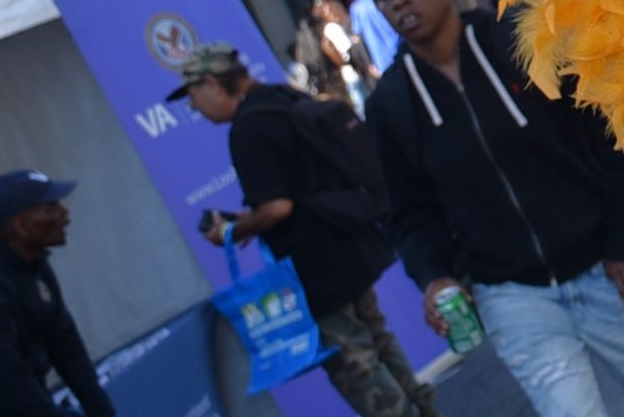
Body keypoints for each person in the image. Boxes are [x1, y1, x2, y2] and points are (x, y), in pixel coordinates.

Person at [359, 0, 624, 417]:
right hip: (511, 296)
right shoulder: (392, 104)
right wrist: (434, 277)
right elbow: (409, 212)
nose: (399, 0)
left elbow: (621, 129)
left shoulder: (522, 41)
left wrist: (621, 238)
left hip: (605, 268)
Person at [173, 42, 439, 417]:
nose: (195, 107)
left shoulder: (248, 128)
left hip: (318, 267)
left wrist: (231, 231)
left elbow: (278, 207)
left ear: (215, 84)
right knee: (379, 342)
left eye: (193, 96)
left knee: (356, 365)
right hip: (351, 242)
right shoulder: (282, 96)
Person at [0, 170, 113, 417]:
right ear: (21, 226)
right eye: (50, 207)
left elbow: (66, 344)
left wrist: (103, 411)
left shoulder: (35, 267)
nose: (64, 214)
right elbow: (10, 379)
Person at [350, 0, 403, 73]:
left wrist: (368, 64)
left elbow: (357, 39)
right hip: (400, 47)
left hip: (381, 59)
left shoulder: (357, 9)